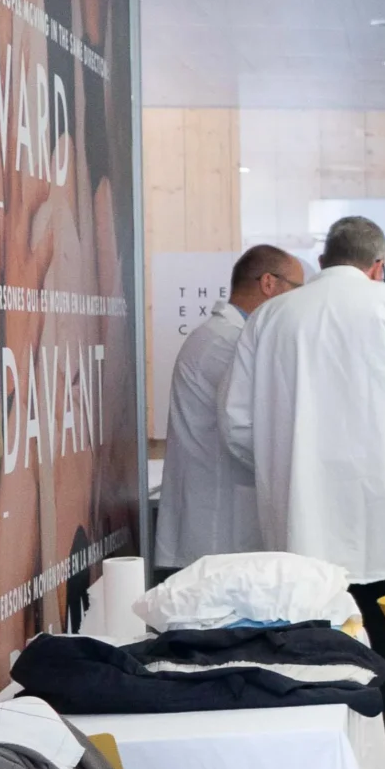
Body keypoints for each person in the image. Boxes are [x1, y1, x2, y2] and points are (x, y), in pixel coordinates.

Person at [222, 215, 385, 679]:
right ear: (378, 265)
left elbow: (237, 421)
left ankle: (337, 733)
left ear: (321, 261)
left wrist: (282, 468)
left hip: (304, 516)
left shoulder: (272, 317)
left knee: (319, 648)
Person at [155, 244, 303, 572]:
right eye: (297, 290)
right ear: (269, 283)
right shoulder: (228, 342)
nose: (298, 302)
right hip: (217, 529)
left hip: (221, 524)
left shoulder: (230, 337)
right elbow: (253, 424)